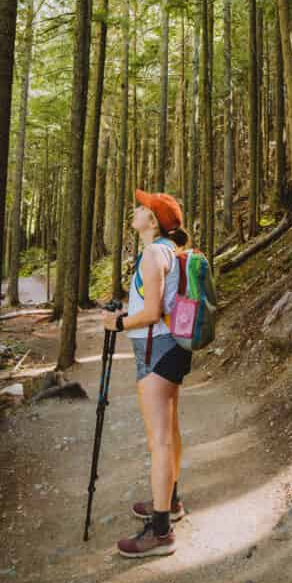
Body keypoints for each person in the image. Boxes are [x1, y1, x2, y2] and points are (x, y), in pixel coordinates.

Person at [102, 188, 192, 558]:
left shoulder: (154, 253)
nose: (134, 211)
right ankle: (170, 501)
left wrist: (117, 322)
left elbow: (152, 311)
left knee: (159, 440)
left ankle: (160, 532)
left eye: (141, 208)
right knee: (169, 431)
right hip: (171, 348)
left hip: (156, 349)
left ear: (153, 221)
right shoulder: (170, 251)